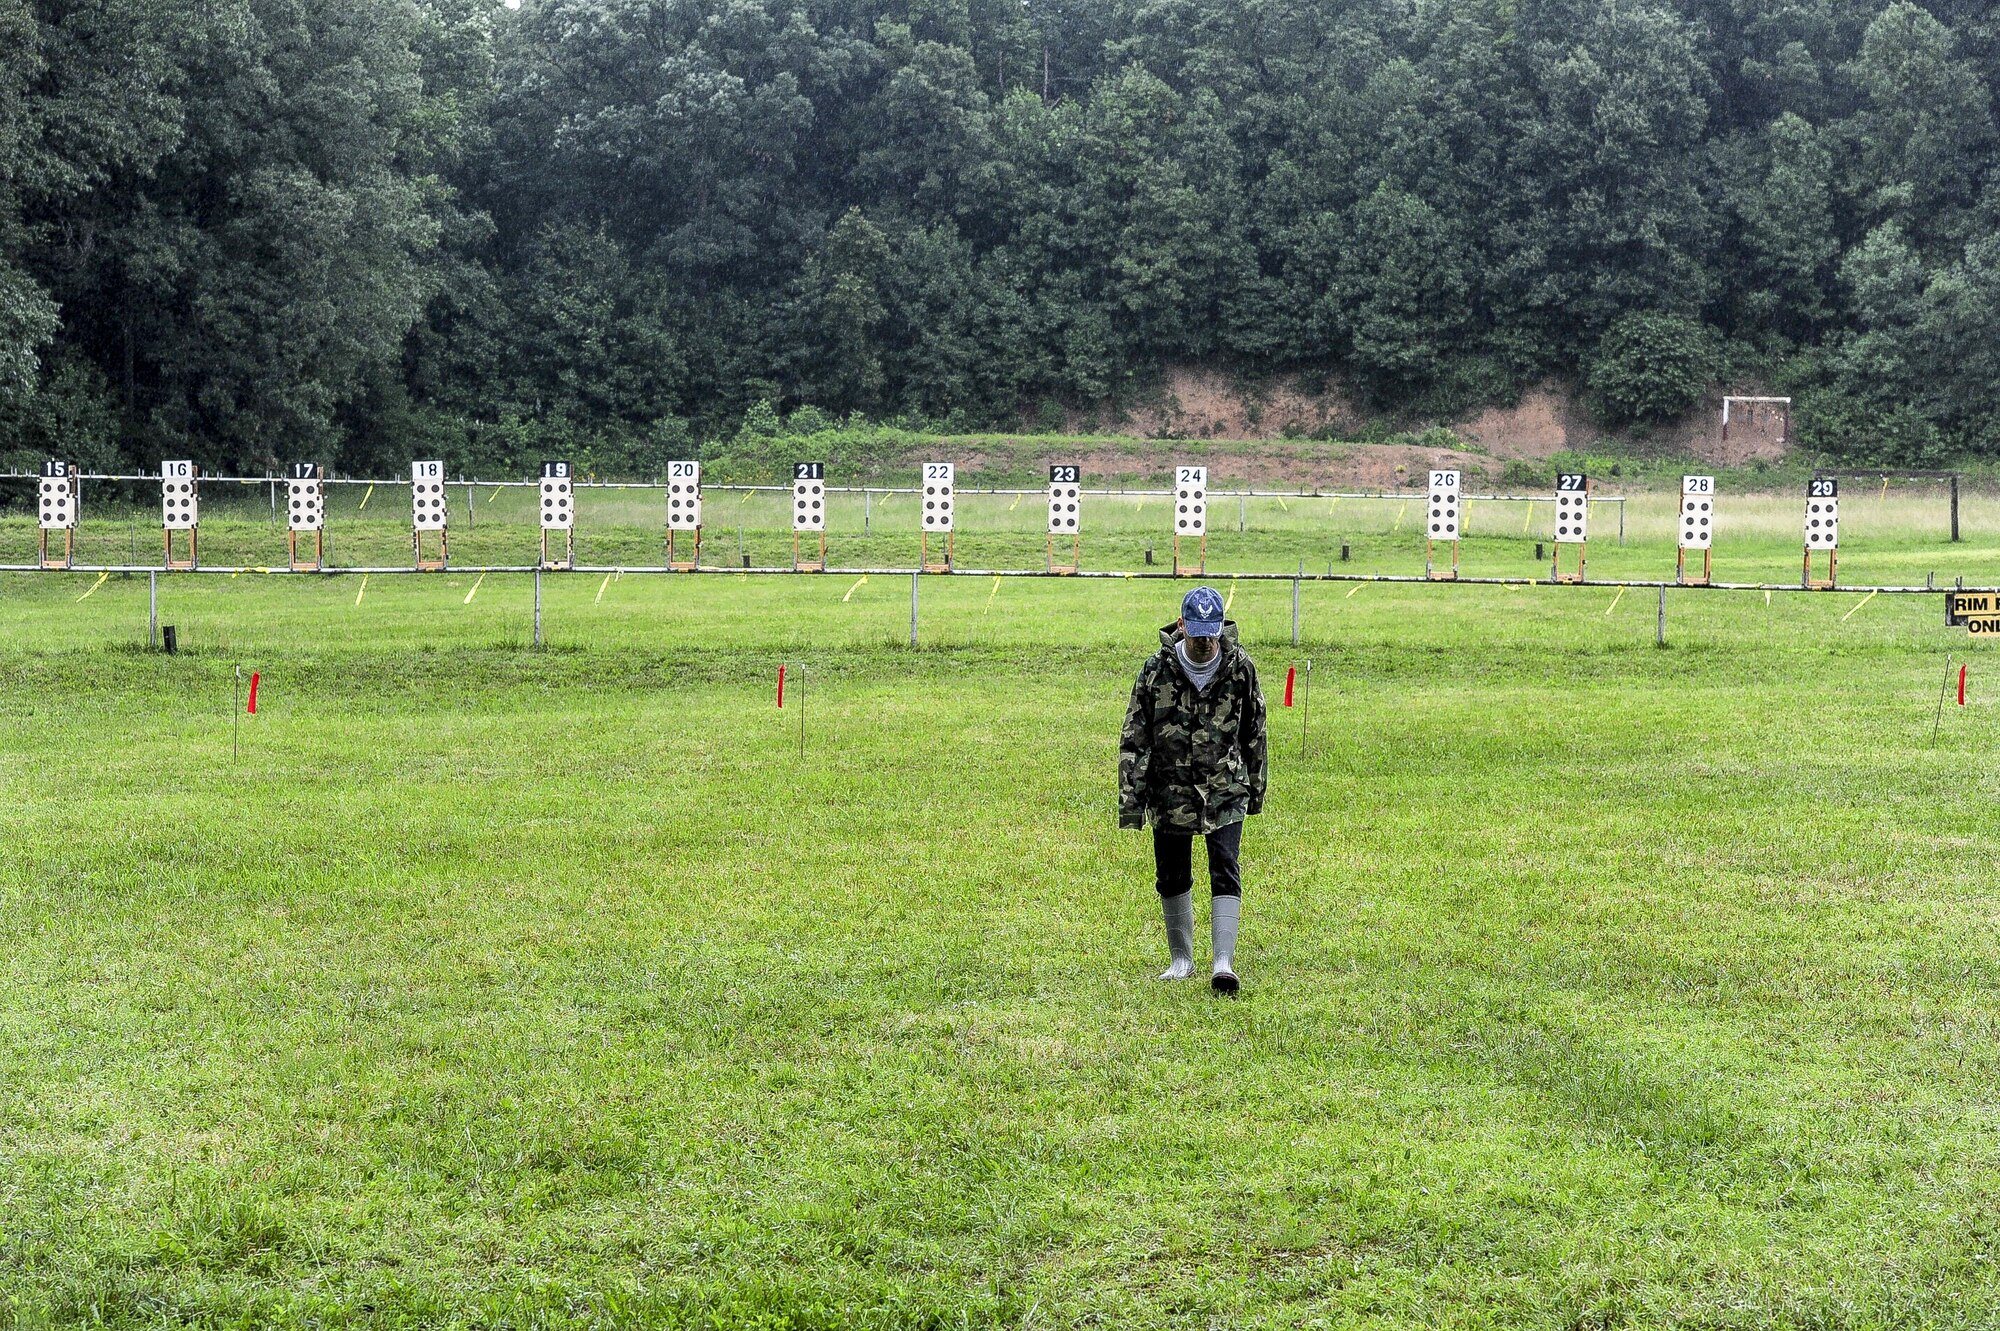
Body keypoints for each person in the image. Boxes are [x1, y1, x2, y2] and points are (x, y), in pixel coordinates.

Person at [1118, 585, 1268, 993]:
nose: (1204, 642)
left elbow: (1255, 731)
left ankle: (1223, 962)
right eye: (1196, 632)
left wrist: (1255, 789)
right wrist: (1131, 801)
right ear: (1181, 625)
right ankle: (1181, 960)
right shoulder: (1154, 671)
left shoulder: (1240, 669)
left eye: (1211, 633)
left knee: (1225, 867)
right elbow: (1135, 738)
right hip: (1170, 792)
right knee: (1171, 873)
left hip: (1225, 788)